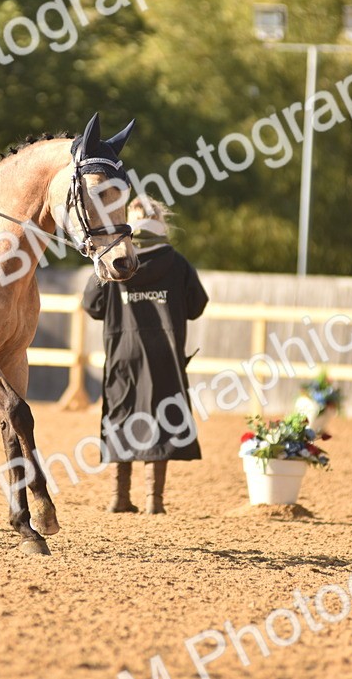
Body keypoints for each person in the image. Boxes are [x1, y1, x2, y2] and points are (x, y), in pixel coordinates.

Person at [83, 198, 209, 514]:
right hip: (165, 355)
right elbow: (197, 306)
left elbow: (92, 305)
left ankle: (120, 497)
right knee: (161, 417)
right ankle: (155, 500)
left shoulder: (115, 262)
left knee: (121, 415)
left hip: (122, 352)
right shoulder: (178, 264)